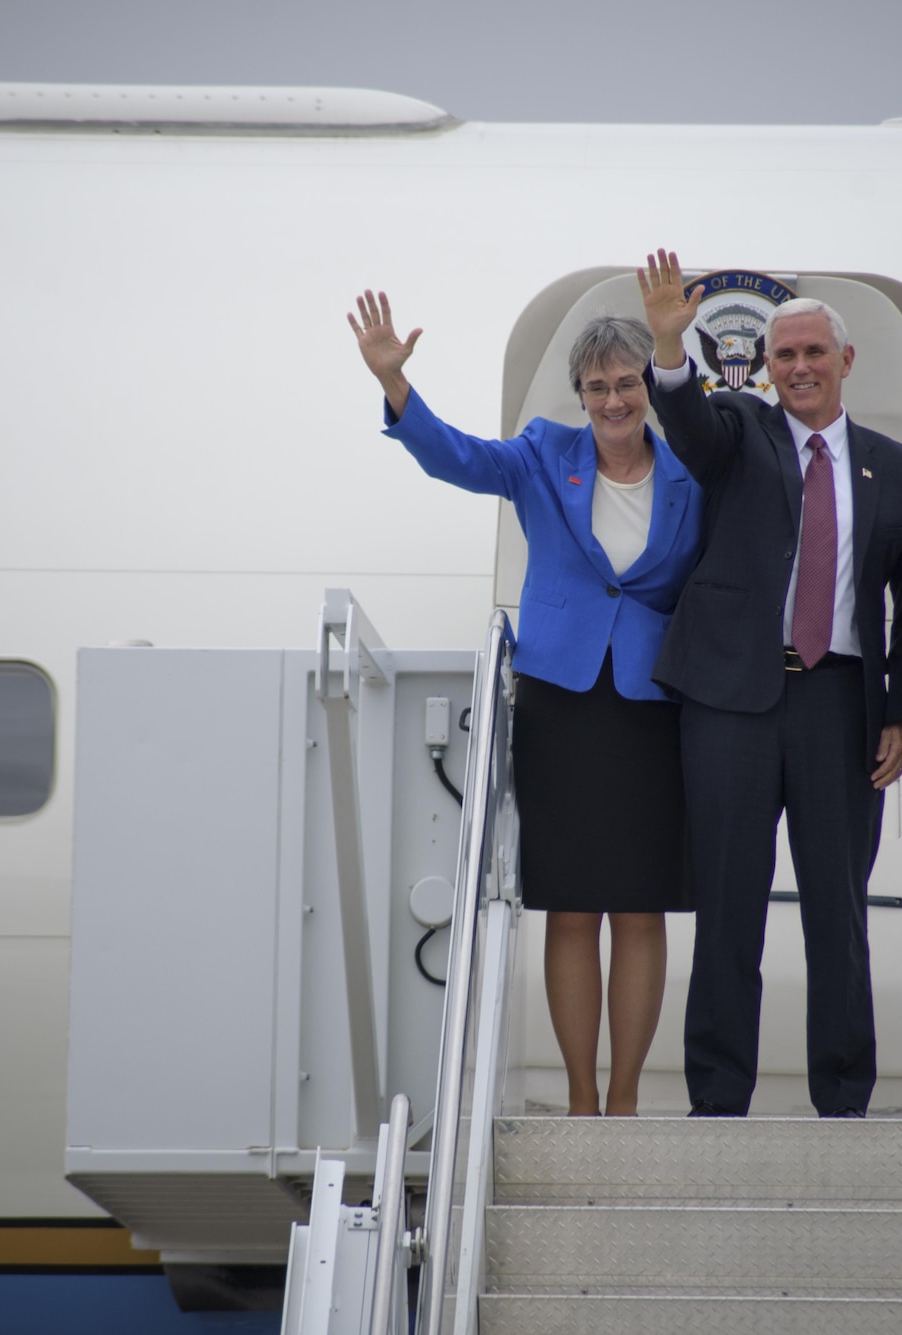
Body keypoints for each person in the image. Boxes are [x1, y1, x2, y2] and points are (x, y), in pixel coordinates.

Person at [348, 291, 702, 1117]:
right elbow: (457, 459)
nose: (612, 400)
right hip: (562, 700)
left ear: (648, 383)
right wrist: (397, 387)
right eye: (596, 386)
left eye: (626, 382)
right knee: (572, 904)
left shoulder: (691, 471)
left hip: (656, 703)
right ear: (578, 394)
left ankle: (624, 1099)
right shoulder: (546, 452)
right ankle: (581, 1097)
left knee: (642, 905)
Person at [637, 252, 902, 1119]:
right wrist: (668, 346)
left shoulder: (899, 468)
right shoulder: (739, 430)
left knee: (838, 910)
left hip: (840, 704)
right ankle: (718, 1096)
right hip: (730, 699)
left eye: (812, 352)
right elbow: (686, 424)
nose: (797, 367)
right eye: (782, 355)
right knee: (730, 905)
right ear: (765, 368)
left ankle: (844, 1097)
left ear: (845, 361)